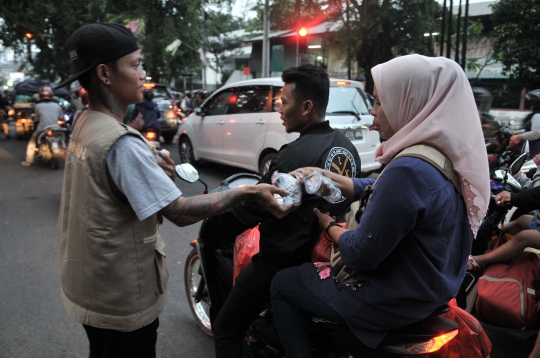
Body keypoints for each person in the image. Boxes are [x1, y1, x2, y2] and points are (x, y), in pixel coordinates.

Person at [55, 22, 289, 358]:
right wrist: (247, 192)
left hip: (90, 283)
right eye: (135, 64)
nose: (143, 73)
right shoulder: (121, 143)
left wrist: (147, 158)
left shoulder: (85, 121)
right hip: (119, 295)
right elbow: (179, 212)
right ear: (104, 74)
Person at [269, 55, 491, 356]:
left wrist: (331, 227)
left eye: (379, 102)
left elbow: (359, 253)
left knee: (282, 283)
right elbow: (377, 188)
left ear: (409, 102)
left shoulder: (408, 169)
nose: (373, 113)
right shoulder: (437, 154)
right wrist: (323, 174)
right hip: (433, 290)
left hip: (393, 299)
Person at [207, 64, 361, 358]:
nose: (280, 109)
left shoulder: (293, 155)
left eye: (284, 102)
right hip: (328, 259)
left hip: (282, 262)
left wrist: (215, 211)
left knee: (226, 327)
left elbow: (257, 207)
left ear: (306, 107)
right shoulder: (346, 148)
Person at [21, 86, 64, 166]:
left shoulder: (38, 106)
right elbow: (62, 118)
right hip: (56, 128)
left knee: (32, 143)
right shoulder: (57, 105)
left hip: (42, 128)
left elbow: (37, 120)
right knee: (64, 139)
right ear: (51, 95)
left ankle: (29, 160)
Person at [510, 89, 540, 157]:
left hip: (536, 151)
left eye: (532, 103)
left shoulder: (538, 115)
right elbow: (531, 129)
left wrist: (518, 137)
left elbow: (536, 133)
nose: (530, 106)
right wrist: (517, 132)